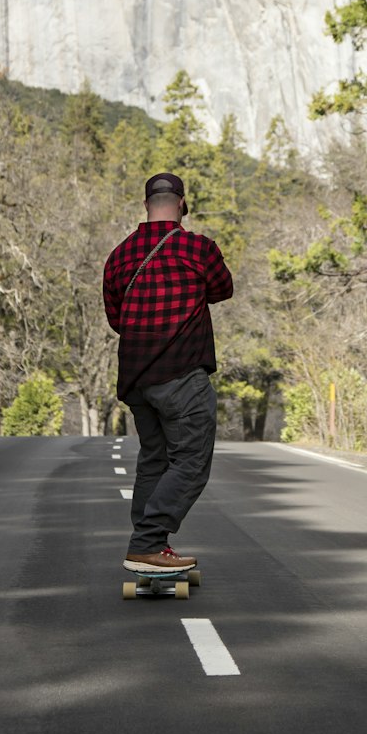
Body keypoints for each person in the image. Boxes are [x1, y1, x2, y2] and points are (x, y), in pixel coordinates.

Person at [103, 171, 234, 572]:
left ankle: (150, 546)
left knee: (154, 460)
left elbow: (116, 319)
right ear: (182, 204)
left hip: (138, 381)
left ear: (146, 206)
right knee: (191, 461)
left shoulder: (119, 256)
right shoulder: (198, 249)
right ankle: (146, 544)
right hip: (182, 377)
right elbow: (222, 289)